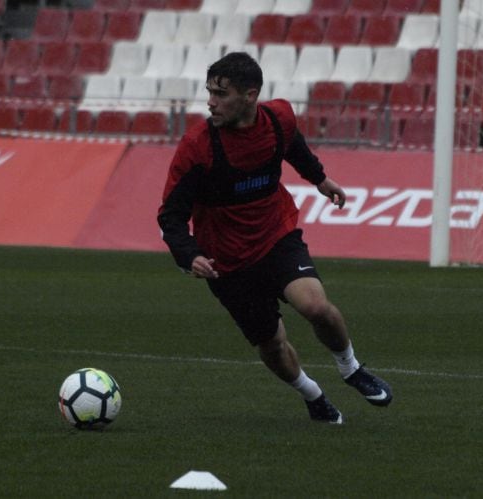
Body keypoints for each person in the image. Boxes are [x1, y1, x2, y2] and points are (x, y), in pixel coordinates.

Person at [157, 52, 392, 424]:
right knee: (271, 343)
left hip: (275, 236)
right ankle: (312, 395)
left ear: (250, 96)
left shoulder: (278, 118)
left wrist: (319, 178)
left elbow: (293, 146)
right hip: (227, 262)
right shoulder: (197, 147)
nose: (210, 101)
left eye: (221, 93)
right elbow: (170, 216)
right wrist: (189, 255)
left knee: (315, 306)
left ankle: (351, 369)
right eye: (209, 92)